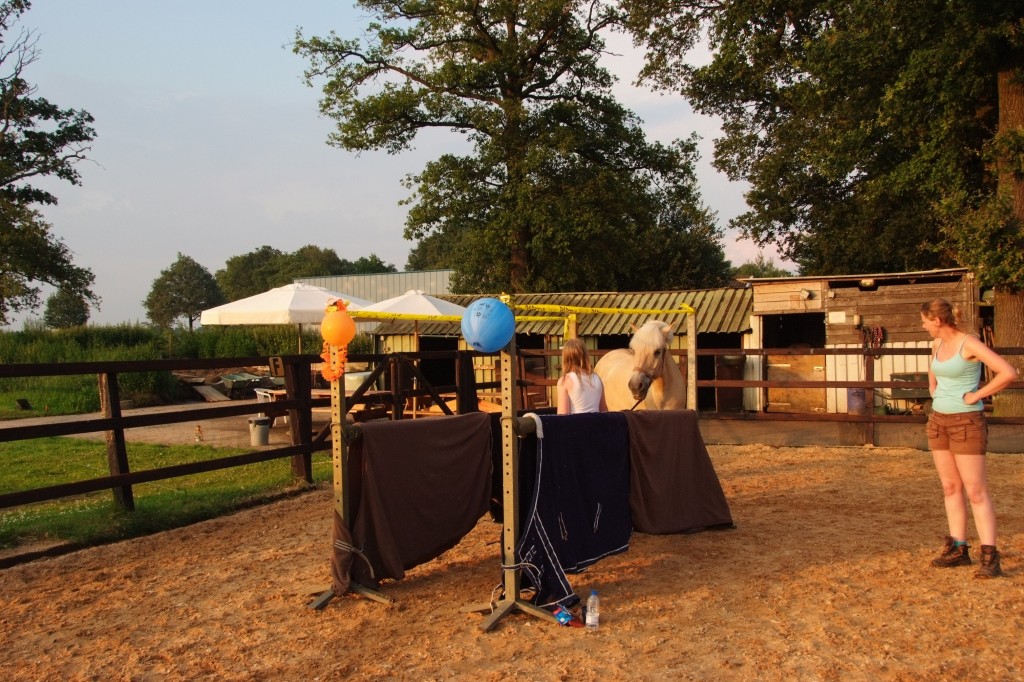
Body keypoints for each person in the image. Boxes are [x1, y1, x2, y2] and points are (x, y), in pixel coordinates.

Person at [920, 298, 1018, 578]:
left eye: (925, 321)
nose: (923, 326)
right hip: (938, 421)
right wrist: (933, 389)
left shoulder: (969, 344)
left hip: (967, 422)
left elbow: (1008, 372)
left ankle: (990, 556)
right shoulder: (937, 344)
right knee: (950, 487)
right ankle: (958, 548)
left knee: (976, 491)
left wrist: (976, 395)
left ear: (937, 320)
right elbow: (933, 368)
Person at [556, 338, 607, 414]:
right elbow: (604, 411)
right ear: (585, 355)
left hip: (576, 421)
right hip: (597, 421)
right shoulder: (597, 378)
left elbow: (562, 415)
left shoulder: (564, 381)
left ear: (566, 358)